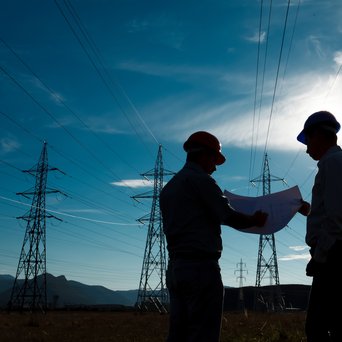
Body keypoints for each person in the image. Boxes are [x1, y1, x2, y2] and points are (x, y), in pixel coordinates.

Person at [160, 131, 268, 342]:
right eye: (214, 160)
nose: (215, 167)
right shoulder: (202, 181)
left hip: (175, 269)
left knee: (178, 334)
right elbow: (227, 215)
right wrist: (255, 220)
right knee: (203, 335)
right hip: (201, 268)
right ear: (204, 155)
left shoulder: (169, 189)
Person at [297, 111, 342, 341]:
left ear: (318, 135)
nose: (306, 149)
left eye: (307, 140)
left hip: (333, 257)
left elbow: (337, 220)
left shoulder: (333, 163)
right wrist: (309, 211)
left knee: (317, 328)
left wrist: (320, 256)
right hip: (331, 256)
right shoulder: (333, 163)